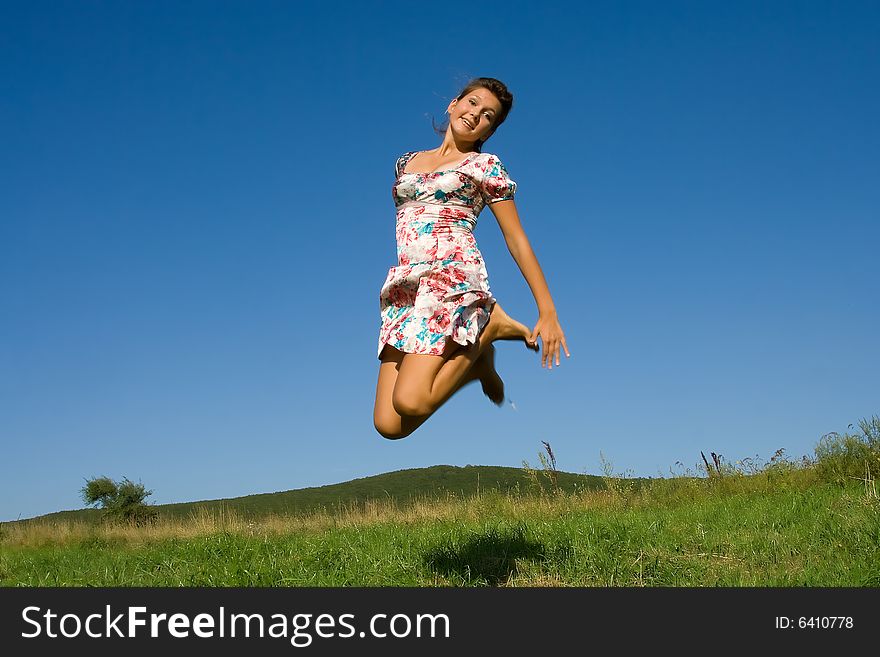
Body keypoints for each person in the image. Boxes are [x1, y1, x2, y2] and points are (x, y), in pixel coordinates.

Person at [374, 77, 569, 439]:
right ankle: (478, 362)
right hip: (406, 284)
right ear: (453, 104)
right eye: (472, 103)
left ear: (489, 130)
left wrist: (547, 309)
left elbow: (516, 237)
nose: (475, 114)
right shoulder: (406, 162)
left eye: (488, 115)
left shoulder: (484, 167)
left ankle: (488, 327)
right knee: (389, 424)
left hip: (451, 276)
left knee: (412, 401)